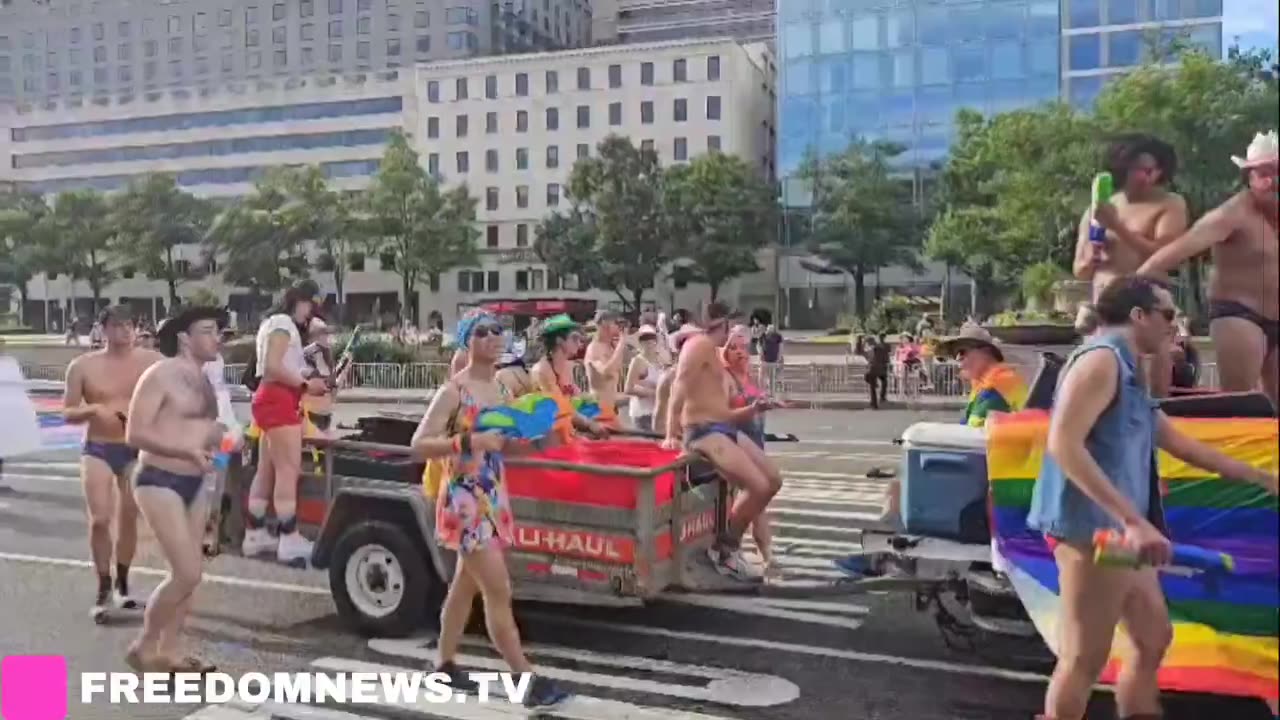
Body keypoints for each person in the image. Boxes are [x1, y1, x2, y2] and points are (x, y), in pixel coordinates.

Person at [1026, 276, 1278, 720]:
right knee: (1084, 659)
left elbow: (1183, 446)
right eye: (1168, 315)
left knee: (1153, 636)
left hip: (1119, 535)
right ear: (1138, 315)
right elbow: (1064, 444)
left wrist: (1263, 477)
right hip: (1093, 533)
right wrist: (1134, 521)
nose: (1175, 325)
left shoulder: (1128, 370)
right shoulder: (1100, 362)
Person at [411, 310, 570, 708]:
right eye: (481, 331)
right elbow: (420, 443)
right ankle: (526, 680)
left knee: (464, 588)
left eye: (497, 330)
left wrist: (537, 438)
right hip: (465, 499)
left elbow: (505, 444)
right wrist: (468, 443)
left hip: (493, 496)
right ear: (467, 341)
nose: (492, 337)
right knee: (498, 591)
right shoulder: (454, 391)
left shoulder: (499, 390)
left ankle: (444, 666)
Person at [1137, 130, 1278, 409]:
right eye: (1262, 174)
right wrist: (1164, 313)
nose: (1272, 181)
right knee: (1241, 405)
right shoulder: (1231, 214)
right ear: (1248, 178)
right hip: (1240, 314)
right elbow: (1168, 256)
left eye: (1276, 172)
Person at [123, 306, 229, 674]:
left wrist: (218, 440)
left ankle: (169, 651)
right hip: (158, 480)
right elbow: (134, 434)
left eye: (218, 331)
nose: (218, 337)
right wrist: (185, 449)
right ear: (185, 337)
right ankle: (144, 645)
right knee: (187, 574)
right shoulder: (160, 375)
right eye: (209, 330)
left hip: (196, 481)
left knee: (190, 574)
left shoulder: (204, 380)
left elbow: (199, 429)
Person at [662, 303, 783, 580]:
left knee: (773, 480)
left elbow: (722, 409)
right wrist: (671, 432)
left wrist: (755, 408)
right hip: (703, 431)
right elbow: (679, 385)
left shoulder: (714, 354)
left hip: (724, 425)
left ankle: (728, 544)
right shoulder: (698, 345)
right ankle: (725, 549)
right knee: (758, 485)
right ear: (725, 324)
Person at [62, 305, 163, 623]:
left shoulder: (153, 362)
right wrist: (93, 410)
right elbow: (67, 412)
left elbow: (174, 396)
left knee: (129, 518)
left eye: (130, 325)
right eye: (117, 326)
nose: (125, 331)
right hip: (98, 448)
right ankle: (103, 585)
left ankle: (122, 582)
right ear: (103, 329)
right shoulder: (82, 366)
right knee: (100, 519)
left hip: (135, 448)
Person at [1072, 134, 1188, 397]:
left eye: (1152, 170)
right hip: (1106, 300)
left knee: (1150, 373)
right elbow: (1080, 269)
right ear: (1123, 169)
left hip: (1148, 298)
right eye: (1139, 169)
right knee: (1104, 373)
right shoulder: (1098, 209)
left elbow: (1168, 253)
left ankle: (1156, 417)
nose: (1146, 177)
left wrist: (1118, 228)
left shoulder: (1170, 203)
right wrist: (1092, 257)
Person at [243, 283, 328, 564]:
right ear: (298, 301)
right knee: (288, 469)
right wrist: (305, 384)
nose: (310, 315)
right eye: (309, 307)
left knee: (267, 469)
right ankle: (289, 538)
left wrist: (308, 377)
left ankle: (254, 533)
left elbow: (279, 365)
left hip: (269, 398)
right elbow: (272, 366)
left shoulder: (271, 323)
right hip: (278, 399)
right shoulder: (283, 323)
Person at [721, 324, 784, 572]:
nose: (740, 353)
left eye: (743, 348)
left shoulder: (751, 375)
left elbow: (759, 400)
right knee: (755, 498)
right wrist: (753, 408)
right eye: (734, 348)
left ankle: (758, 551)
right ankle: (756, 552)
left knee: (758, 501)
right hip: (736, 443)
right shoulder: (725, 378)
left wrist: (768, 403)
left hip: (755, 441)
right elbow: (722, 415)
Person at [530, 314, 607, 444]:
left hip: (566, 429)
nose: (580, 343)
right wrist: (589, 424)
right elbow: (559, 408)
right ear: (559, 340)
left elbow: (575, 398)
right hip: (548, 437)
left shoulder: (566, 366)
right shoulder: (542, 370)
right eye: (574, 338)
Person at [202, 326, 244, 555]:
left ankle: (223, 531)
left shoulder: (216, 360)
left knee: (225, 482)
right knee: (214, 484)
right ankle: (209, 536)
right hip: (216, 432)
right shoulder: (201, 363)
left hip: (229, 431)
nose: (222, 341)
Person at [583, 309, 633, 430]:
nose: (618, 327)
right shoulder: (594, 348)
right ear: (605, 323)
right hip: (597, 412)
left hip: (610, 410)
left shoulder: (611, 347)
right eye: (616, 323)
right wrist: (621, 342)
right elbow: (606, 371)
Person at [625, 324, 665, 432]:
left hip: (658, 411)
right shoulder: (637, 361)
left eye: (652, 338)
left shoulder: (660, 359)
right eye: (644, 339)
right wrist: (653, 392)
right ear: (640, 342)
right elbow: (628, 388)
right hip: (643, 413)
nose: (649, 342)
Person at [758, 323, 784, 396]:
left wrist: (760, 354)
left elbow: (759, 346)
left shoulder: (764, 336)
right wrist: (779, 358)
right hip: (770, 360)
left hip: (767, 361)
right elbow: (781, 348)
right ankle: (769, 392)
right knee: (770, 377)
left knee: (765, 377)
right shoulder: (778, 337)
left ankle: (764, 392)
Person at [865, 334, 890, 409]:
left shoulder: (871, 349)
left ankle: (874, 403)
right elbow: (886, 359)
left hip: (873, 369)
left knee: (872, 386)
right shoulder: (882, 348)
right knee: (881, 381)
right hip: (881, 369)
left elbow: (870, 359)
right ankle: (880, 398)